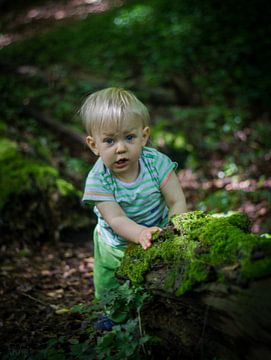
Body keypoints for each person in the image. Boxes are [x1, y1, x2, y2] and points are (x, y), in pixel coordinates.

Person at [81, 87, 187, 330]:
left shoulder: (156, 163)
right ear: (94, 145)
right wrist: (139, 233)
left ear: (144, 136)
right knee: (110, 282)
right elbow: (116, 219)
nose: (120, 148)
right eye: (109, 140)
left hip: (157, 232)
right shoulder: (99, 179)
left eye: (129, 137)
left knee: (158, 274)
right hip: (114, 244)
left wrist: (174, 228)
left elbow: (176, 200)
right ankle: (115, 316)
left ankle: (159, 308)